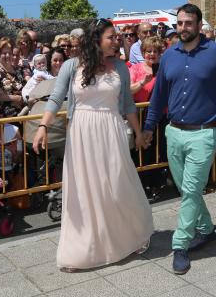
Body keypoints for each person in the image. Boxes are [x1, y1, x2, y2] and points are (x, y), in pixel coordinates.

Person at [33, 19, 153, 271]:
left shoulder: (120, 66)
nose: (116, 40)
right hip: (81, 133)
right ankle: (84, 248)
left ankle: (127, 236)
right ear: (96, 39)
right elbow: (56, 98)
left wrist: (139, 134)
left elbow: (128, 104)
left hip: (111, 130)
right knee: (85, 191)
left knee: (117, 185)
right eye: (111, 36)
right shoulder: (71, 65)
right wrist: (43, 126)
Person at [142, 3, 216, 275]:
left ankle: (180, 244)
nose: (183, 27)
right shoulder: (170, 55)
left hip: (204, 132)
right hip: (173, 131)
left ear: (199, 25)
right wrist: (149, 126)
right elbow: (158, 95)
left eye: (188, 23)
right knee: (189, 190)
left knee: (192, 189)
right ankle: (207, 230)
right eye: (180, 23)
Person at [0, 39, 27, 118]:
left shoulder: (19, 70)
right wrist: (15, 98)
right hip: (6, 117)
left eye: (9, 53)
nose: (7, 56)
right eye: (4, 53)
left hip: (24, 115)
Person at [128, 36, 164, 103]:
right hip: (141, 111)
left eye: (155, 51)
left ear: (159, 54)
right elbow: (128, 91)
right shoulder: (135, 68)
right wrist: (143, 82)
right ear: (143, 53)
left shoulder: (165, 69)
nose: (152, 54)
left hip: (162, 111)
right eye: (149, 51)